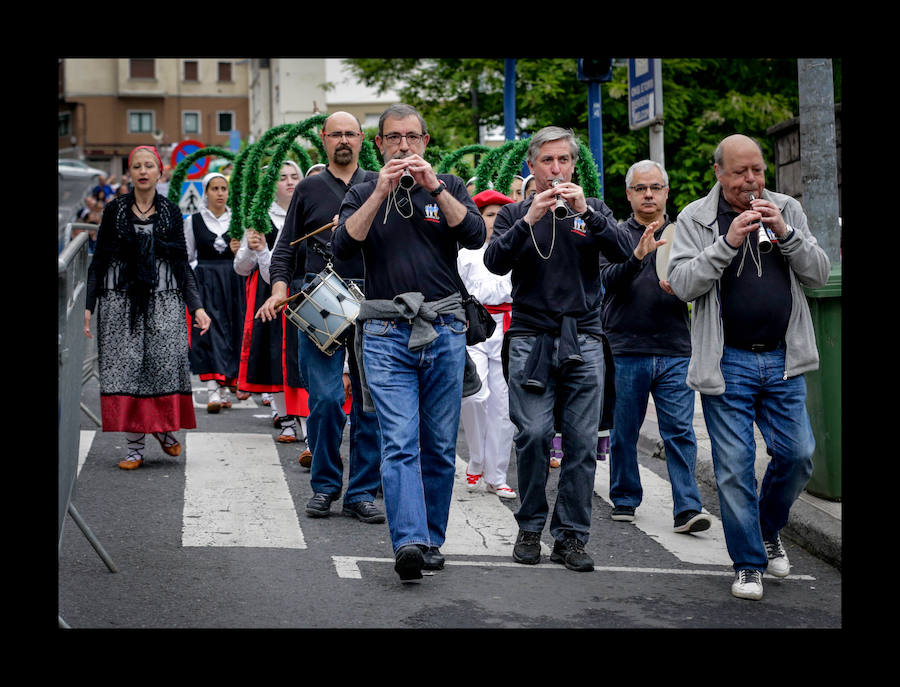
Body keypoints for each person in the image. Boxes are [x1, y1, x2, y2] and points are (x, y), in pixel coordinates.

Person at [667, 134, 830, 601]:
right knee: (735, 468)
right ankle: (748, 563)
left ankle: (765, 527)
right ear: (718, 172)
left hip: (783, 358)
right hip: (728, 361)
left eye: (757, 170)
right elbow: (682, 284)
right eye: (740, 172)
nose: (751, 180)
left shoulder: (787, 208)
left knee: (798, 456)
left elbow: (818, 274)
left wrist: (787, 233)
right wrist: (728, 242)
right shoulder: (695, 217)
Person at [331, 103, 485, 582]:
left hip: (444, 328)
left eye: (412, 137)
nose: (403, 146)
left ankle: (432, 539)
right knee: (399, 442)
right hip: (384, 331)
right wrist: (380, 191)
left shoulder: (448, 185)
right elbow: (342, 247)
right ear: (378, 145)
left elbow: (475, 235)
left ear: (425, 142)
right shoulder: (363, 190)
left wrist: (433, 186)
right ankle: (409, 542)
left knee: (438, 445)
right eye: (394, 138)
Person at [483, 126, 632, 572]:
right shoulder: (515, 213)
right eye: (547, 161)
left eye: (563, 160)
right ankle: (530, 526)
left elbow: (624, 251)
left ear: (573, 165)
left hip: (584, 336)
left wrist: (587, 212)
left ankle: (570, 536)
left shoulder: (594, 209)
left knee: (582, 442)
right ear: (532, 166)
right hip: (531, 336)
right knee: (532, 435)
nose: (555, 169)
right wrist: (529, 219)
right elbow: (494, 262)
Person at [258, 112, 384, 526]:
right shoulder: (309, 188)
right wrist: (279, 290)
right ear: (324, 139)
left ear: (362, 139)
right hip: (320, 295)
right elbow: (284, 251)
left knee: (369, 403)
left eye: (350, 133)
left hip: (371, 297)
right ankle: (325, 485)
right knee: (327, 399)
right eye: (336, 134)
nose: (343, 140)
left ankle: (361, 492)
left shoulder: (378, 184)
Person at [599, 159, 712, 534]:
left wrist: (685, 287)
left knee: (679, 432)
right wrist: (637, 257)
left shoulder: (685, 235)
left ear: (666, 192)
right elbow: (606, 281)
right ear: (629, 194)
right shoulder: (615, 235)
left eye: (655, 188)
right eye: (640, 188)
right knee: (624, 431)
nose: (648, 194)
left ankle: (688, 507)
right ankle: (625, 498)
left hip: (675, 347)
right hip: (625, 347)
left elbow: (704, 281)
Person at [84, 145, 211, 469]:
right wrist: (88, 305)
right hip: (119, 300)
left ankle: (163, 429)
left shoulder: (171, 212)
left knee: (164, 365)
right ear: (130, 173)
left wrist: (196, 307)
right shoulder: (114, 210)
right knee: (126, 370)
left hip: (164, 298)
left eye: (149, 166)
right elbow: (100, 259)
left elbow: (182, 264)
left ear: (159, 172)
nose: (143, 171)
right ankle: (134, 448)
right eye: (137, 166)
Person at [234, 160, 303, 443]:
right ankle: (285, 418)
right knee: (274, 355)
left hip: (303, 292)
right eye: (282, 177)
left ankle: (307, 422)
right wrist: (257, 249)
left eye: (294, 176)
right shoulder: (261, 218)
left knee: (301, 357)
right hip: (271, 296)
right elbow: (241, 267)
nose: (289, 181)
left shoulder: (307, 210)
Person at [458, 189, 516, 500]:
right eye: (489, 215)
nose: (495, 221)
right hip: (475, 327)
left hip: (507, 327)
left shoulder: (515, 248)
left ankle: (497, 474)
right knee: (474, 396)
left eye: (500, 215)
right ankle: (477, 459)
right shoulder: (466, 253)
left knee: (503, 405)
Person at [184, 172, 246, 412]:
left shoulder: (238, 220)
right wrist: (197, 277)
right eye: (215, 188)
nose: (220, 193)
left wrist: (239, 251)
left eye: (223, 188)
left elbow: (248, 257)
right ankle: (212, 388)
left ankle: (224, 388)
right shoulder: (193, 221)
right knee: (208, 331)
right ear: (206, 192)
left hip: (233, 279)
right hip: (206, 281)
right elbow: (188, 256)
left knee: (231, 329)